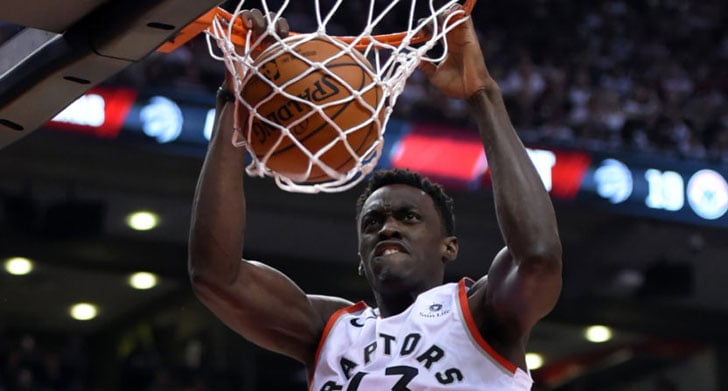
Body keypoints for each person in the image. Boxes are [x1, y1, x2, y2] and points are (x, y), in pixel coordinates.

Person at [188, 6, 562, 390]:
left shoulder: (481, 313)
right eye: (372, 222)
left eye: (408, 217)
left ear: (448, 247)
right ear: (360, 259)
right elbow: (217, 276)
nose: (388, 228)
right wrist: (236, 97)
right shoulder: (328, 330)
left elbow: (537, 257)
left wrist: (483, 95)